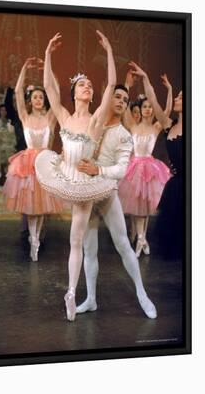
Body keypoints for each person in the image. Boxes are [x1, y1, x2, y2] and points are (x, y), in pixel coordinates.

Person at [34, 31, 118, 321]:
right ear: (74, 92)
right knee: (77, 239)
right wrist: (47, 53)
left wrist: (108, 51)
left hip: (83, 184)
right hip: (63, 175)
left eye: (90, 85)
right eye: (82, 84)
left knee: (76, 239)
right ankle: (74, 291)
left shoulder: (95, 121)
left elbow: (111, 87)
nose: (88, 87)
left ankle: (71, 292)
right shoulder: (65, 117)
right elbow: (48, 86)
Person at [74, 83, 157, 319]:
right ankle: (91, 299)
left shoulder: (123, 135)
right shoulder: (93, 123)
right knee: (89, 249)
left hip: (108, 193)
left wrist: (96, 170)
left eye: (125, 99)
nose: (121, 101)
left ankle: (142, 294)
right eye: (117, 96)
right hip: (87, 193)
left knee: (122, 244)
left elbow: (121, 170)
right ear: (108, 99)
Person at [3, 57, 64, 261]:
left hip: (45, 163)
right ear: (31, 100)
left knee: (41, 208)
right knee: (31, 207)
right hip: (27, 164)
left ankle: (36, 237)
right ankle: (33, 237)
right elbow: (18, 92)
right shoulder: (25, 117)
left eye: (41, 97)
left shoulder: (50, 119)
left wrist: (50, 71)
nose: (38, 100)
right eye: (35, 97)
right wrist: (24, 68)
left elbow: (57, 94)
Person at [118, 64, 173, 256]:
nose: (148, 109)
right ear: (140, 110)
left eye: (150, 107)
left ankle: (142, 239)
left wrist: (169, 90)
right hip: (135, 168)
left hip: (150, 168)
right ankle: (140, 238)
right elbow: (124, 108)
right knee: (136, 206)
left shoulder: (157, 127)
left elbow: (166, 111)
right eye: (145, 107)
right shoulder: (133, 125)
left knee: (146, 206)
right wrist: (127, 85)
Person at [155, 90, 183, 256]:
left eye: (180, 97)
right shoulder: (169, 125)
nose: (176, 99)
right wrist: (145, 79)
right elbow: (154, 102)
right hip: (176, 184)